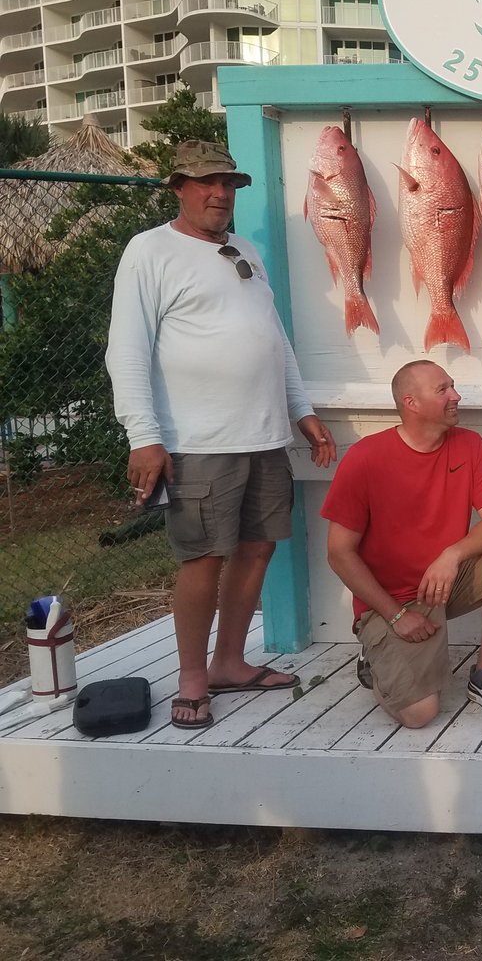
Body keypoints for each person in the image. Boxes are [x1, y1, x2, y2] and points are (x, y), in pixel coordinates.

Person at [106, 140, 337, 730]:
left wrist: (302, 410)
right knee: (203, 557)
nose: (219, 194)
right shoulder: (150, 250)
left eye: (229, 184)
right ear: (178, 187)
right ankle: (191, 678)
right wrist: (143, 436)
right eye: (206, 183)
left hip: (264, 436)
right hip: (197, 440)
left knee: (258, 547)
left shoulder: (245, 249)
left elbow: (273, 337)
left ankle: (230, 661)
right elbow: (126, 351)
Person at [322, 361, 482, 727]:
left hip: (444, 583)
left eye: (453, 386)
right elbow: (339, 553)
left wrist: (451, 555)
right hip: (389, 601)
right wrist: (396, 615)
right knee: (420, 716)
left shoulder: (469, 444)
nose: (456, 396)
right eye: (443, 390)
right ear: (411, 402)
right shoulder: (365, 458)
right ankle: (375, 656)